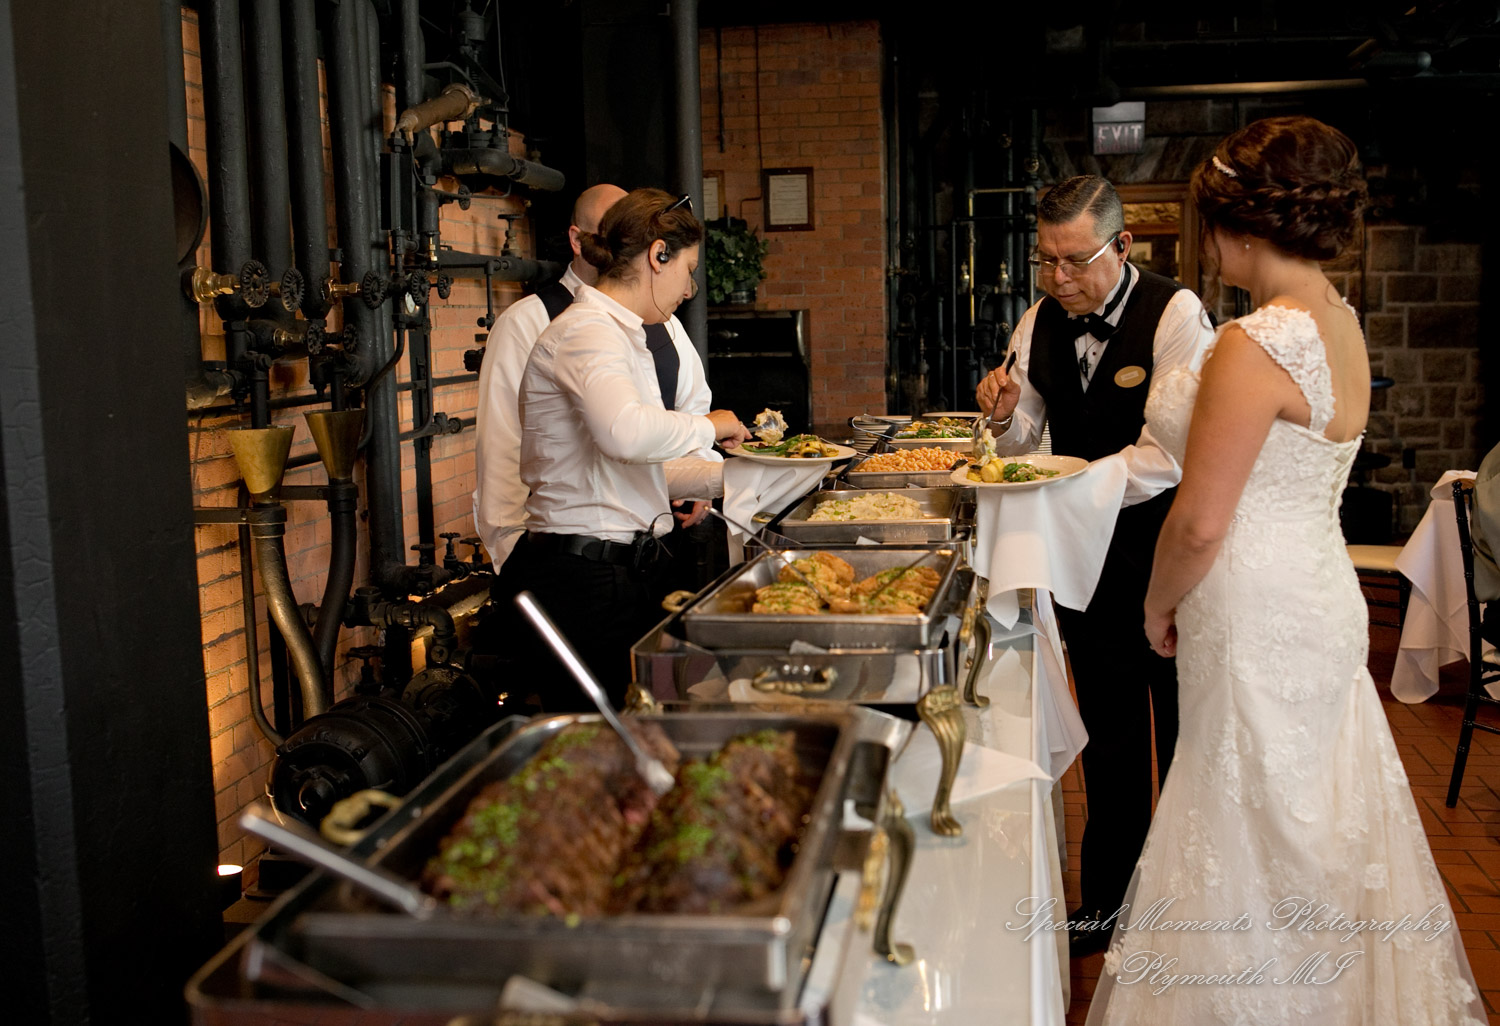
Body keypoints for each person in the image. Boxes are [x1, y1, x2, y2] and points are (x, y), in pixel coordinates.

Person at [1086, 117, 1483, 1023]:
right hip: (1319, 587)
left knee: (1243, 804)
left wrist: (1153, 608)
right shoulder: (1340, 320)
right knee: (1313, 805)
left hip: (1249, 594)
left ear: (1242, 227)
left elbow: (1199, 520)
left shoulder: (1254, 343)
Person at [975, 175, 1215, 955]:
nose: (1059, 278)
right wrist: (1006, 415)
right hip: (1088, 564)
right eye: (1046, 261)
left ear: (1123, 245)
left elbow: (1173, 455)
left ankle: (1184, 911)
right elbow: (1022, 444)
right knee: (1110, 744)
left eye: (1075, 260)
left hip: (1170, 557)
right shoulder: (1038, 318)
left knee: (1185, 737)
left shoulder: (1177, 315)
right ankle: (1107, 907)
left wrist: (1077, 481)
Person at [494, 188, 750, 709]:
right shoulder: (587, 331)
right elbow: (626, 434)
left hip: (625, 570)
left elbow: (633, 467)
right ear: (658, 256)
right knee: (607, 743)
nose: (689, 287)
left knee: (651, 721)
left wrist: (748, 479)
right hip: (582, 580)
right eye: (687, 268)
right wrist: (708, 425)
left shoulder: (626, 333)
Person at [473, 183, 719, 572]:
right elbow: (501, 455)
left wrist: (705, 479)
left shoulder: (664, 324)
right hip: (576, 559)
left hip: (656, 547)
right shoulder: (531, 321)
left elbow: (692, 409)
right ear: (579, 239)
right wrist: (513, 564)